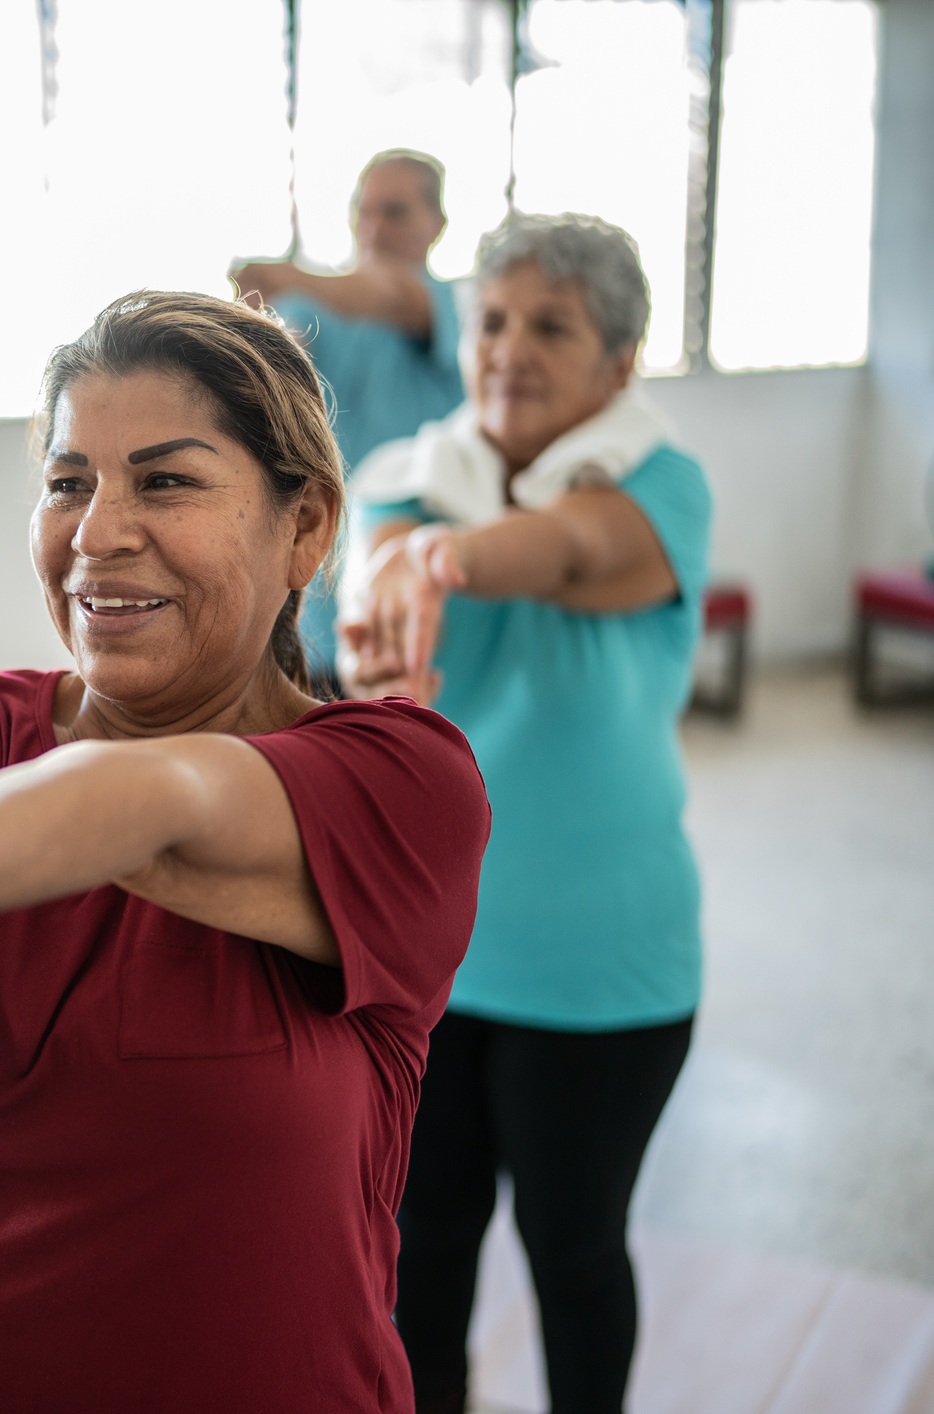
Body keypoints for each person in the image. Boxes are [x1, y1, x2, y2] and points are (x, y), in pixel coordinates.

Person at [0, 290, 494, 1411]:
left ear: (306, 528)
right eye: (67, 481)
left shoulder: (401, 780)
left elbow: (172, 792)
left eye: (165, 481)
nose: (96, 531)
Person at [337, 213, 711, 1414]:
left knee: (574, 1254)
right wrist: (379, 585)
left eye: (550, 325)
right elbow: (353, 649)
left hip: (604, 972)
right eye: (490, 319)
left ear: (618, 362)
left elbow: (565, 547)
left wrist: (432, 565)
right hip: (429, 966)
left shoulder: (658, 486)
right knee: (418, 1255)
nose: (506, 347)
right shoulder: (399, 480)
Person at [234, 150, 468, 688]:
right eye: (364, 211)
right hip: (321, 593)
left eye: (394, 212)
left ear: (438, 225)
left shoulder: (450, 303)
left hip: (422, 578)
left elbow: (384, 292)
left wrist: (284, 275)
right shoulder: (316, 310)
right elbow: (275, 360)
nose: (374, 228)